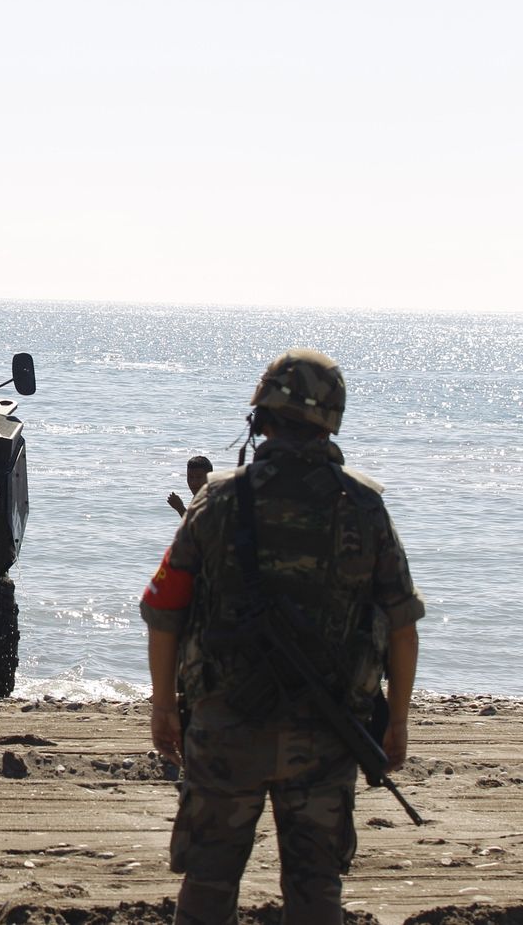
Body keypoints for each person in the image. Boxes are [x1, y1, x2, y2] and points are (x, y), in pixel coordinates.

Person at [140, 349, 424, 924]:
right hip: (327, 732)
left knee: (209, 880)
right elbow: (402, 624)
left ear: (261, 415)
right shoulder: (363, 505)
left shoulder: (217, 500)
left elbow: (163, 609)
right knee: (316, 887)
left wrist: (164, 706)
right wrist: (396, 720)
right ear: (332, 421)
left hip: (225, 727)